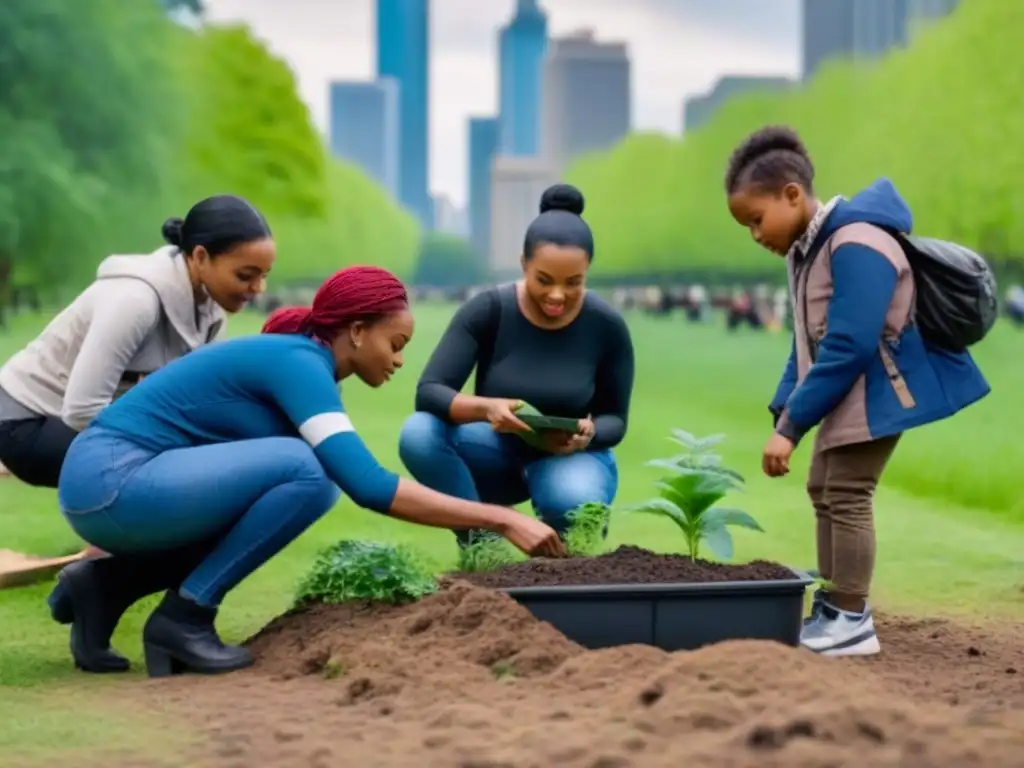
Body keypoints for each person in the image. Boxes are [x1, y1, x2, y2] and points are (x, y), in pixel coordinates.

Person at [55, 266, 565, 678]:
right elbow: (366, 485)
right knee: (310, 473)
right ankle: (185, 617)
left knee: (290, 485)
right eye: (397, 342)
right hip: (112, 479)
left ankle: (105, 586)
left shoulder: (306, 367)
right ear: (358, 331)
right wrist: (499, 518)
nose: (400, 360)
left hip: (112, 484)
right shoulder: (299, 363)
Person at [724, 125, 990, 657]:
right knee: (824, 486)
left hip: (879, 392)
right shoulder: (809, 250)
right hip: (851, 393)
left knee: (846, 491)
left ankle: (850, 617)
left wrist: (793, 427)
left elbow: (848, 344)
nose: (754, 234)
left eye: (756, 219)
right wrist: (785, 407)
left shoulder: (857, 242)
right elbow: (804, 341)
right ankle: (834, 604)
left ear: (792, 195)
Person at [0, 195, 274, 657]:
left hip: (92, 429)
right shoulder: (135, 301)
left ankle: (97, 589)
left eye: (263, 276)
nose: (258, 289)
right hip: (27, 422)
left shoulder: (207, 310)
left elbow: (197, 404)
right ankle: (114, 588)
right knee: (196, 496)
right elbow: (82, 408)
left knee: (222, 489)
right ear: (200, 257)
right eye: (245, 275)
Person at [398, 184, 635, 545]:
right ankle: (481, 541)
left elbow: (615, 420)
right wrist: (487, 408)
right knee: (418, 434)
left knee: (571, 502)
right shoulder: (488, 310)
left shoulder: (606, 325)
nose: (558, 295)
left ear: (587, 271)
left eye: (573, 283)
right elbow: (430, 392)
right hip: (495, 448)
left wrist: (589, 432)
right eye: (544, 280)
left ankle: (567, 560)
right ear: (524, 264)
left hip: (569, 456)